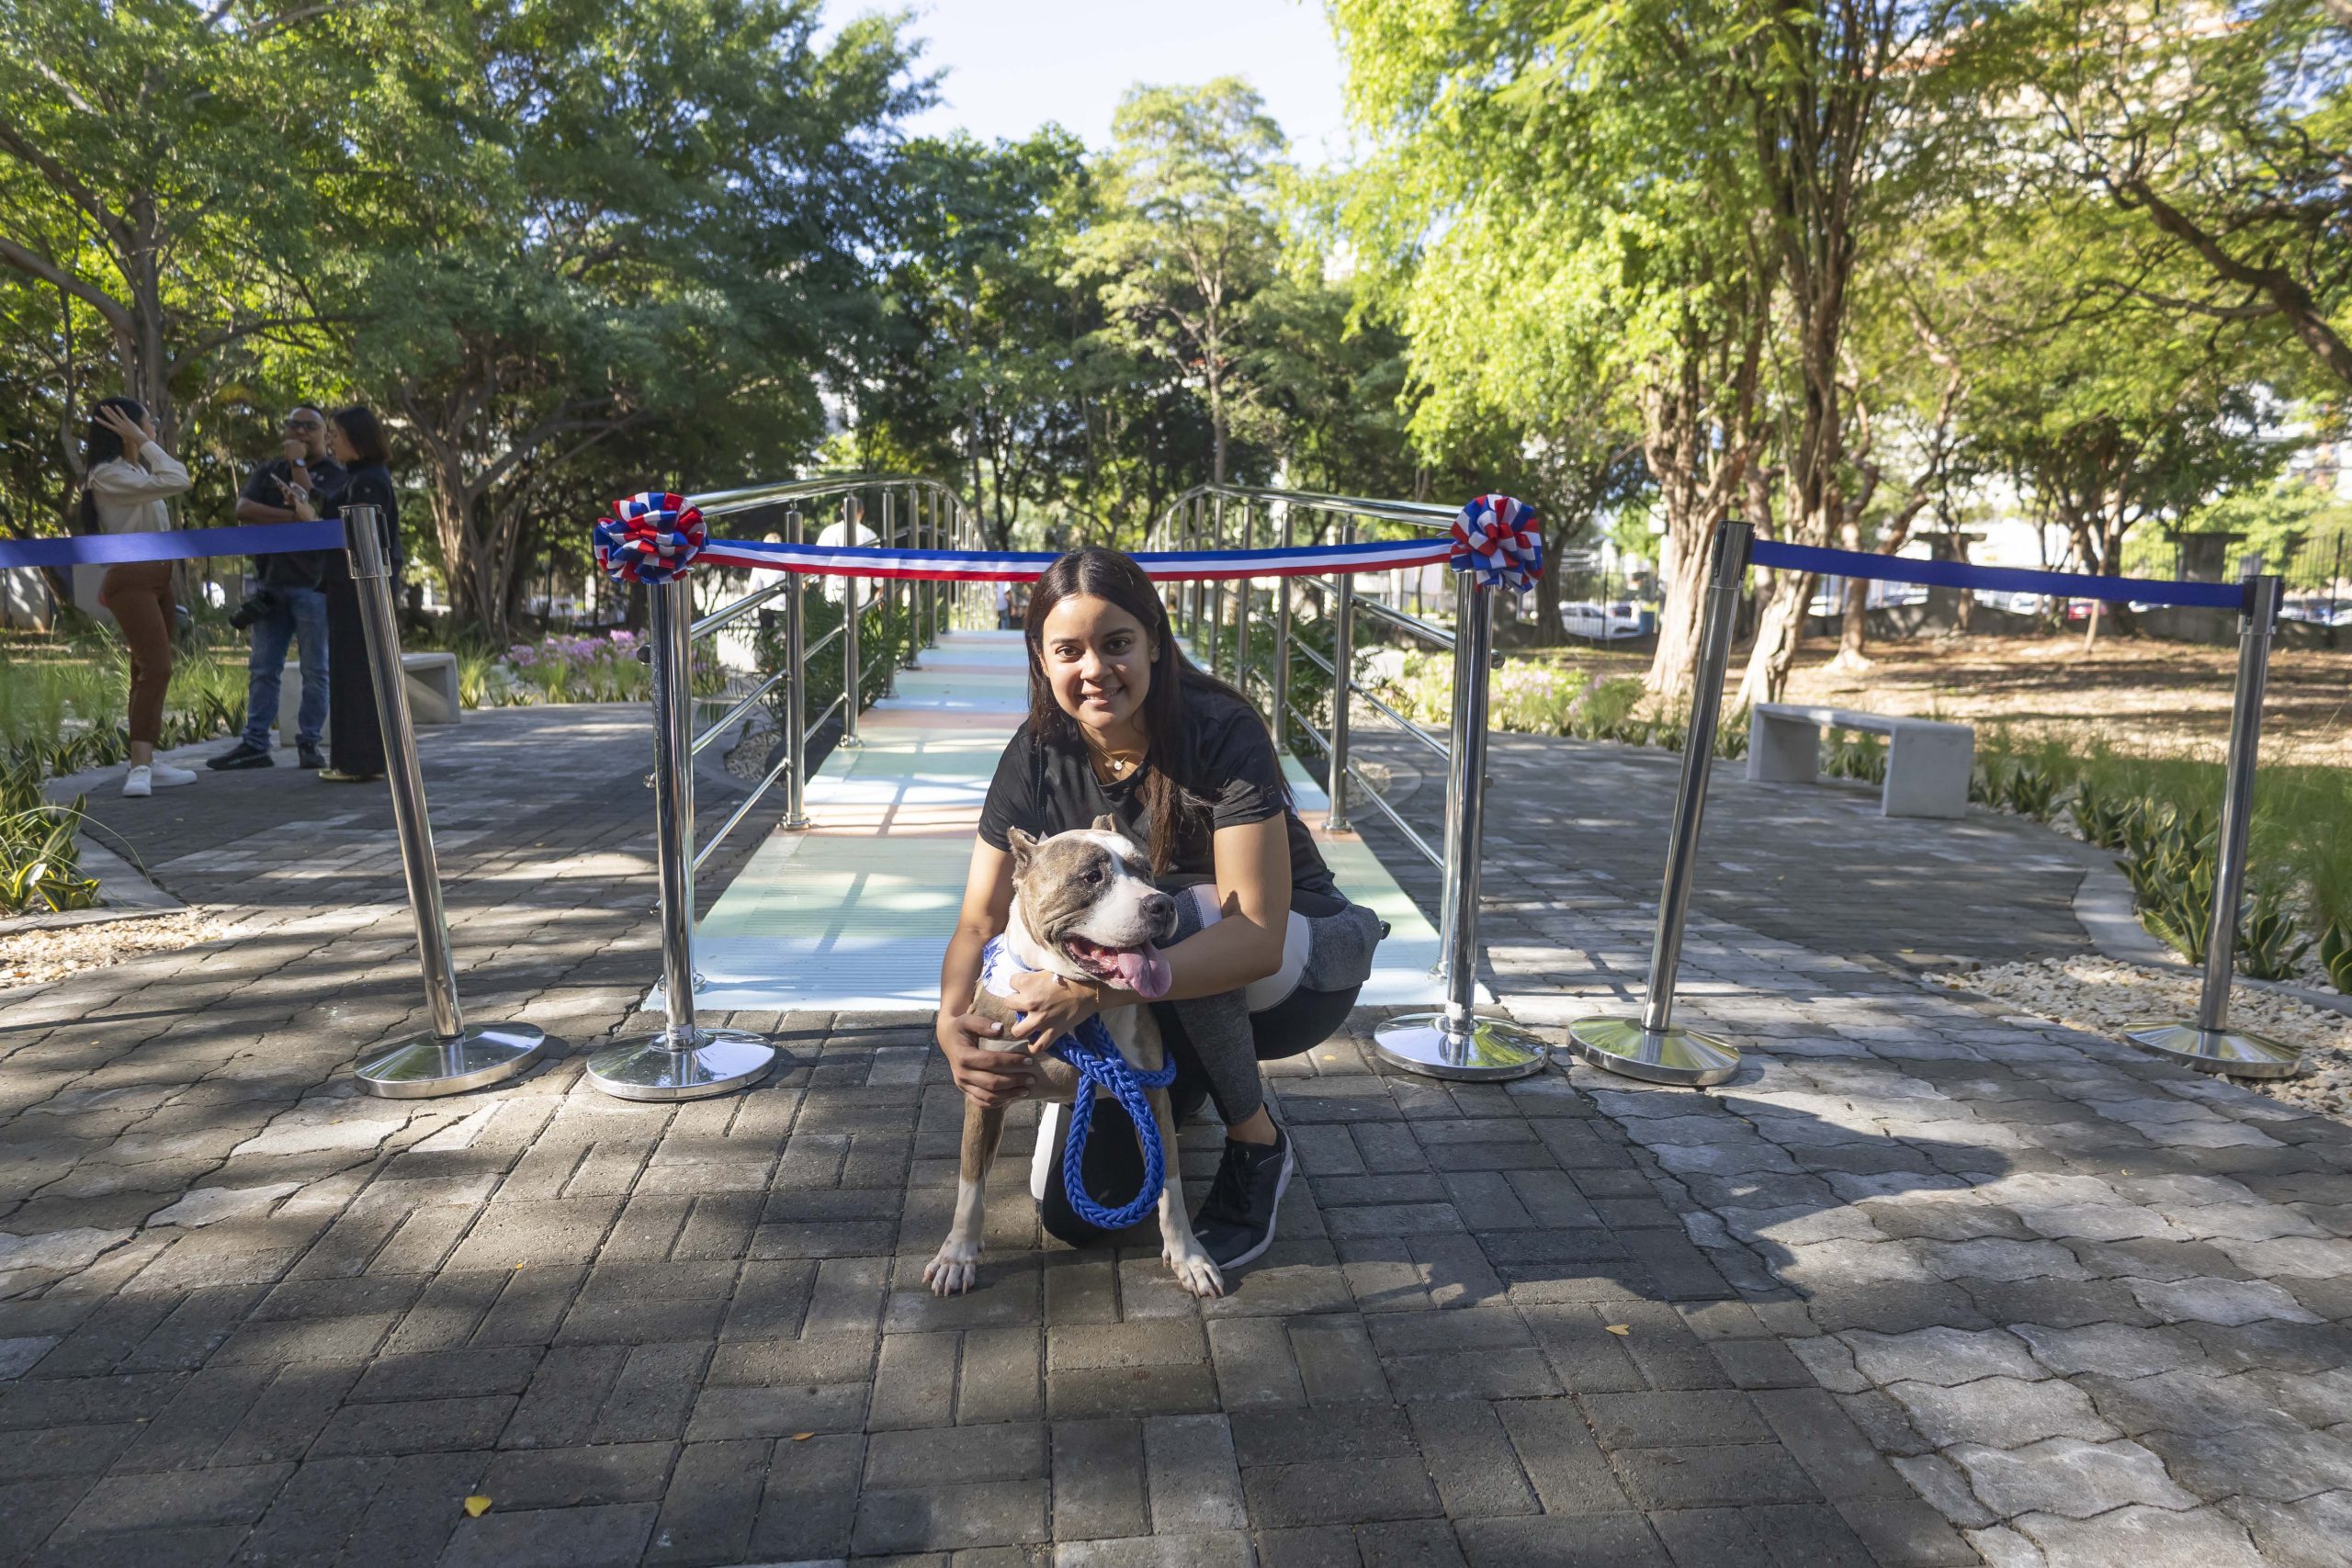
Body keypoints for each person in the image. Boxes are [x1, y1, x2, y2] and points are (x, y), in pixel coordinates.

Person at [935, 547, 1383, 1270]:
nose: (1095, 669)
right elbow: (980, 923)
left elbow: (1256, 936)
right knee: (1076, 1215)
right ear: (1041, 660)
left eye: (1116, 643)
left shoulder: (1219, 728)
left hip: (1297, 967)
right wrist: (951, 1025)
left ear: (1154, 640)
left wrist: (1090, 994)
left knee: (1180, 908)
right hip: (1151, 971)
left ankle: (1256, 1142)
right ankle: (1184, 1075)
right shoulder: (1036, 753)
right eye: (1068, 650)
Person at [210, 406, 343, 771]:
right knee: (263, 669)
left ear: (325, 434)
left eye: (310, 426)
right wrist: (294, 517)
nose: (300, 431)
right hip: (271, 584)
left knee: (316, 670)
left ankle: (309, 742)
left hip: (314, 587)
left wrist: (299, 467)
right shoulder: (268, 471)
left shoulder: (336, 474)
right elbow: (243, 509)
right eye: (293, 424)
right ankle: (255, 744)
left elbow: (321, 511)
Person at [80, 399, 196, 799]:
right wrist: (142, 441)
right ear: (125, 428)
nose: (154, 428)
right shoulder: (107, 475)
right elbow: (179, 478)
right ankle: (140, 768)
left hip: (160, 577)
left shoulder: (135, 472)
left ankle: (144, 760)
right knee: (157, 669)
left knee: (144, 671)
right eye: (150, 422)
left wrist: (141, 443)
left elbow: (171, 479)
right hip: (132, 579)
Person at [289, 405, 397, 782]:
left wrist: (312, 521)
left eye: (335, 434)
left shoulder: (367, 481)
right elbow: (336, 506)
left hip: (359, 589)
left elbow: (354, 533)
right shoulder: (360, 476)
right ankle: (359, 759)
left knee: (355, 674)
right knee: (354, 671)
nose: (331, 441)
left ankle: (357, 762)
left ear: (356, 438)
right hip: (350, 586)